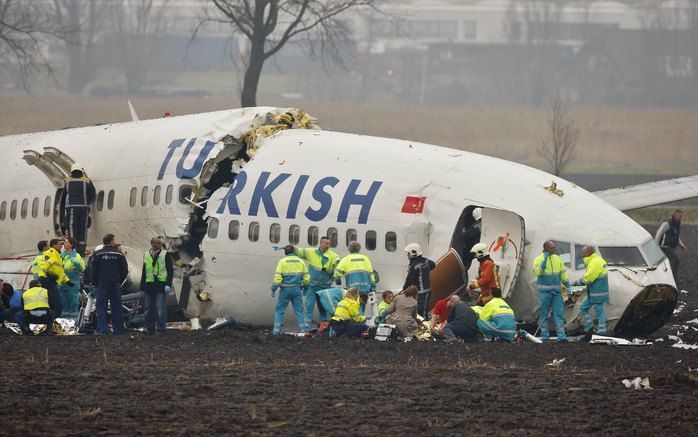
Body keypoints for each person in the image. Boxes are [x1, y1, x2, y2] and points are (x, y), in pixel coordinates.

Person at [293, 237, 340, 330]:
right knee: (309, 306)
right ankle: (306, 328)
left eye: (329, 244)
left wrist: (336, 276)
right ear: (321, 243)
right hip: (312, 286)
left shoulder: (333, 257)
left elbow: (338, 268)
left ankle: (322, 328)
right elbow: (298, 251)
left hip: (324, 287)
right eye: (326, 243)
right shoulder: (312, 252)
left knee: (322, 307)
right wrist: (285, 248)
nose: (328, 246)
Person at [533, 241, 571, 342]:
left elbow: (563, 273)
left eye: (554, 247)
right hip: (544, 292)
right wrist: (544, 261)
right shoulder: (538, 259)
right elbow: (538, 272)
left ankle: (561, 336)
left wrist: (567, 285)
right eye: (552, 248)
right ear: (546, 248)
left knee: (559, 314)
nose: (554, 249)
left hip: (557, 291)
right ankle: (545, 337)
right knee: (544, 314)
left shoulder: (557, 258)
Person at [91, 234, 129, 335]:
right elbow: (125, 270)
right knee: (116, 306)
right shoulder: (119, 254)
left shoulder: (98, 254)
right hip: (115, 283)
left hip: (102, 284)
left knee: (100, 306)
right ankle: (119, 330)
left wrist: (94, 283)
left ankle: (103, 329)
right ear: (111, 241)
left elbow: (94, 270)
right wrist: (119, 281)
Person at [271, 245, 309, 335]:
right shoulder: (301, 262)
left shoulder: (282, 262)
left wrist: (273, 289)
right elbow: (307, 278)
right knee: (299, 311)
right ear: (294, 251)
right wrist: (305, 288)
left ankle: (276, 331)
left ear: (285, 252)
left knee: (279, 311)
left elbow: (277, 279)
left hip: (285, 290)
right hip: (297, 290)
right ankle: (303, 331)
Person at [571, 246, 609, 336]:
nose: (582, 255)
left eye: (584, 253)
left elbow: (588, 279)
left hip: (597, 292)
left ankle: (602, 330)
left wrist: (574, 283)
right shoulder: (597, 260)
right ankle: (590, 326)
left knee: (599, 311)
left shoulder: (594, 262)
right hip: (593, 292)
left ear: (590, 252)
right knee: (583, 308)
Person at [139, 237, 174, 335]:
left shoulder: (165, 254)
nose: (159, 245)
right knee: (148, 309)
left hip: (160, 285)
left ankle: (161, 329)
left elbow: (170, 270)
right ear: (152, 243)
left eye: (160, 243)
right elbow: (144, 272)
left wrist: (168, 284)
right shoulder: (146, 255)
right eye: (157, 243)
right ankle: (150, 329)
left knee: (160, 309)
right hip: (149, 285)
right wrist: (142, 287)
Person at [60, 163, 96, 256]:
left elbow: (64, 196)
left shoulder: (68, 181)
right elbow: (92, 194)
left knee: (72, 229)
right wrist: (88, 203)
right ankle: (81, 250)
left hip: (71, 208)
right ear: (81, 170)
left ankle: (72, 250)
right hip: (84, 208)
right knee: (83, 229)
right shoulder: (87, 181)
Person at [37, 238, 71, 318]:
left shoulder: (58, 255)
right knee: (57, 304)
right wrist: (44, 276)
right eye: (60, 244)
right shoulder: (49, 253)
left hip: (53, 282)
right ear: (54, 245)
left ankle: (54, 321)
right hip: (47, 281)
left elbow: (60, 271)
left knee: (54, 303)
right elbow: (43, 265)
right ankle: (54, 321)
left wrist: (67, 281)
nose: (61, 246)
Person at [403, 243, 436, 319]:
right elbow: (433, 264)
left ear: (413, 254)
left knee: (420, 312)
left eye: (408, 253)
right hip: (427, 290)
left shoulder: (414, 266)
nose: (407, 255)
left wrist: (405, 288)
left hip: (420, 292)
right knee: (423, 310)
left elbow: (409, 280)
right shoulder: (426, 261)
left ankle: (422, 326)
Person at [655, 209, 688, 281]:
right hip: (664, 246)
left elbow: (677, 236)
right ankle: (672, 278)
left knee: (668, 263)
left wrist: (681, 245)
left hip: (670, 248)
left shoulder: (677, 224)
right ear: (675, 214)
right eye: (680, 216)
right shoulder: (667, 223)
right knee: (675, 260)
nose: (681, 217)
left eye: (681, 216)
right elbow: (659, 233)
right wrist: (656, 246)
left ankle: (667, 278)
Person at [60, 237, 85, 319]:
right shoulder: (61, 256)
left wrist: (76, 264)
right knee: (63, 305)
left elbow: (82, 268)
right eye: (64, 242)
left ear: (71, 245)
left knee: (73, 304)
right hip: (62, 284)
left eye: (67, 242)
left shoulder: (76, 256)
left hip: (73, 285)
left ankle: (73, 323)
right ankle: (64, 324)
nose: (64, 244)